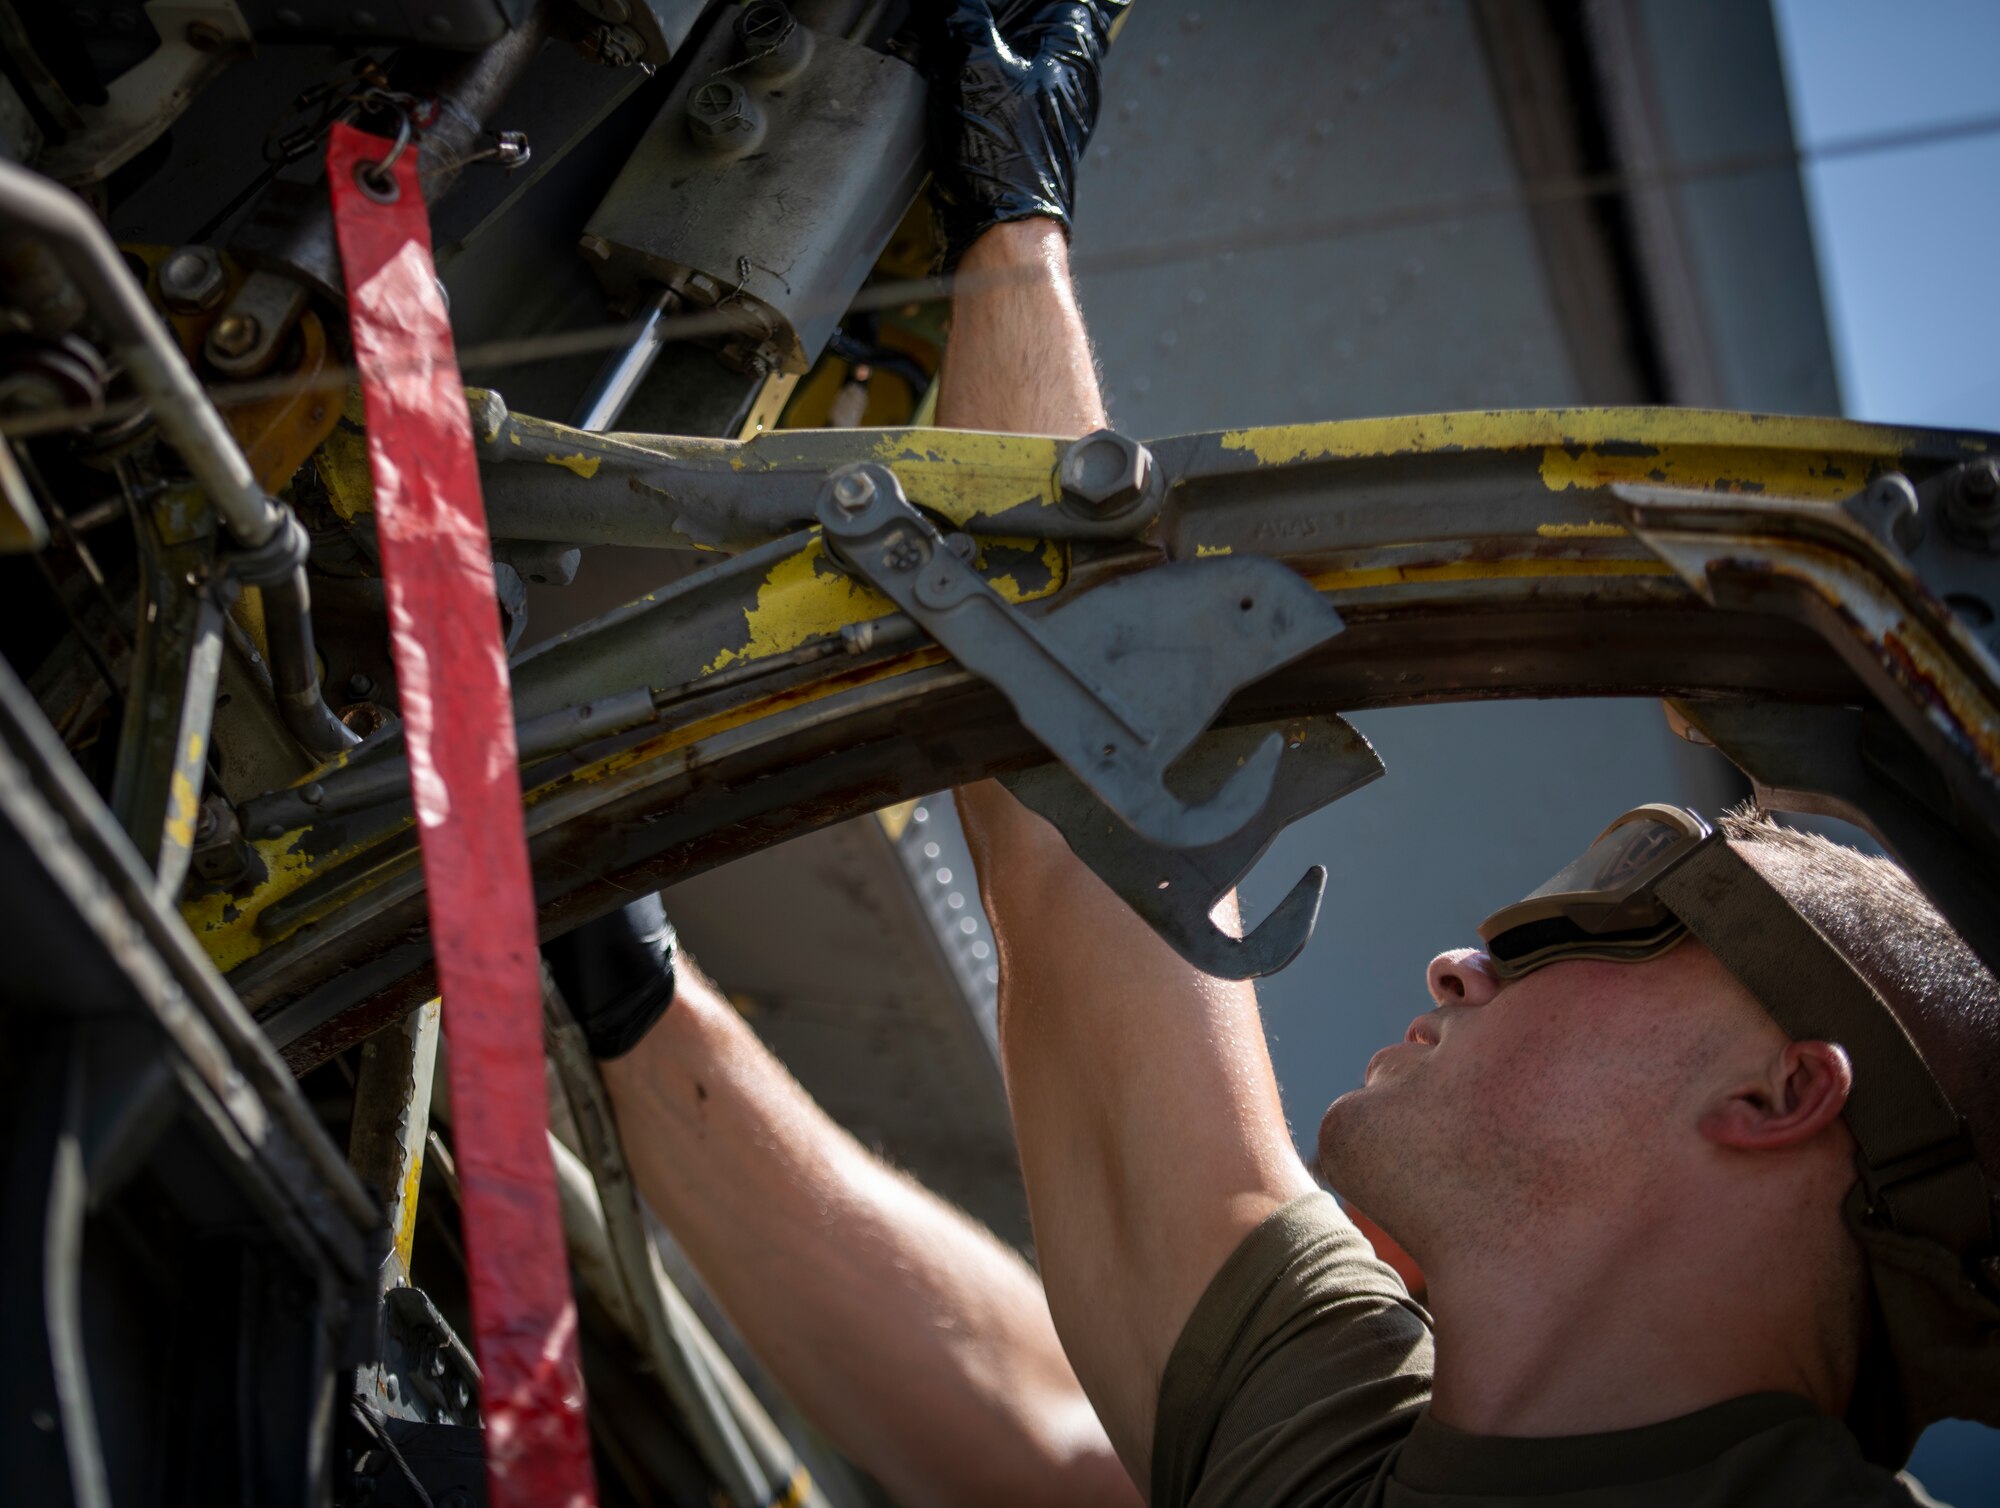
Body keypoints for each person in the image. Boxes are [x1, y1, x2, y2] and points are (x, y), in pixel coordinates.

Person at [575, 3, 2000, 1503]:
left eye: (1588, 927)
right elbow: (1084, 831)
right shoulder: (1325, 1451)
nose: (1463, 963)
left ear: (1784, 1100)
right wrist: (1013, 221)